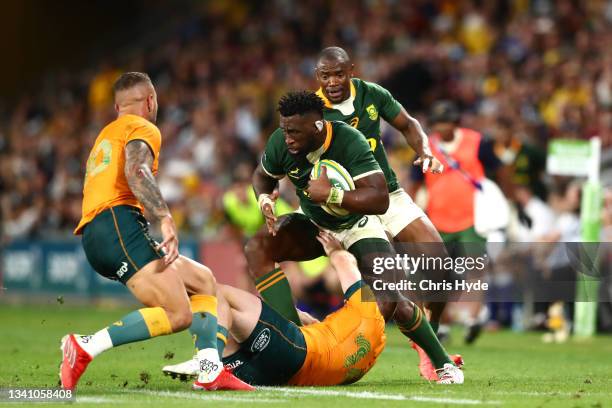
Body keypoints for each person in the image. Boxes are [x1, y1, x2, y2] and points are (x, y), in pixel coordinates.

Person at [59, 72, 252, 391]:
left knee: (202, 280)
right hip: (116, 225)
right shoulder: (142, 126)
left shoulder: (107, 134)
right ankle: (85, 346)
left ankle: (209, 369)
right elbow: (136, 171)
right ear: (150, 101)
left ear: (118, 106)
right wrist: (165, 216)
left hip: (106, 231)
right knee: (178, 313)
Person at [249, 91, 461, 379]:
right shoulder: (281, 141)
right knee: (258, 246)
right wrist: (264, 199)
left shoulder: (349, 140)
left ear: (318, 126)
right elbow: (262, 176)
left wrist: (332, 193)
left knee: (390, 298)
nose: (288, 138)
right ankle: (294, 345)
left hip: (358, 223)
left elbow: (379, 199)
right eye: (285, 130)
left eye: (295, 132)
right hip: (314, 221)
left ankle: (441, 361)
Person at [313, 46, 462, 379]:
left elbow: (408, 124)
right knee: (385, 297)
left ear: (351, 70)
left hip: (387, 194)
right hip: (345, 204)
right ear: (317, 77)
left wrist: (424, 151)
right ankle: (339, 355)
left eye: (339, 74)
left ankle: (430, 341)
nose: (333, 82)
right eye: (326, 76)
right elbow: (291, 150)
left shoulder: (372, 94)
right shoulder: (313, 111)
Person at [409, 100, 512, 344]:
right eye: (439, 123)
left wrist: (507, 200)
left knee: (476, 269)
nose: (444, 127)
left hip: (471, 220)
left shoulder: (477, 142)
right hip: (437, 220)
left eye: (448, 121)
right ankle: (441, 325)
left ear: (456, 122)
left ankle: (473, 320)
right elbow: (414, 183)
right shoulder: (426, 147)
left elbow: (500, 170)